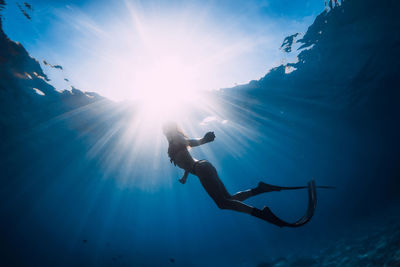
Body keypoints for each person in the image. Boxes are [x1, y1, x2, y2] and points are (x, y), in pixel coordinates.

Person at [163, 122, 334, 227]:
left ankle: (262, 214)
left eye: (166, 128)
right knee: (230, 199)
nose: (164, 130)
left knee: (222, 204)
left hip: (201, 169)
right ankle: (261, 189)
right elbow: (184, 158)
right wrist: (185, 176)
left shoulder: (176, 138)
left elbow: (189, 142)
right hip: (202, 167)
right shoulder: (172, 141)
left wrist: (203, 140)